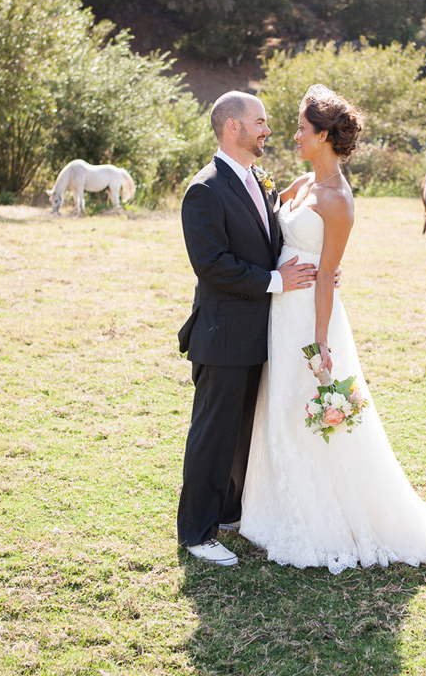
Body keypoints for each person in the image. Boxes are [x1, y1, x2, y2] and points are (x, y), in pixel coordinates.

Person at [240, 84, 426, 573]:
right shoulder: (303, 184)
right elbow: (271, 206)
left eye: (302, 130)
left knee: (311, 400)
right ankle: (281, 502)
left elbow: (327, 274)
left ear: (325, 135)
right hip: (281, 308)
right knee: (283, 400)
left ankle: (324, 513)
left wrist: (321, 342)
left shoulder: (338, 200)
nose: (295, 136)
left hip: (309, 315)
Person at [177, 90, 318, 566]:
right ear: (232, 127)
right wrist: (279, 280)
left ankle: (230, 514)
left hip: (260, 333)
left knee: (243, 432)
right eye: (260, 122)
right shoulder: (205, 189)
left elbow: (267, 240)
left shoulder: (256, 178)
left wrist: (312, 267)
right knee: (213, 434)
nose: (268, 130)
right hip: (222, 335)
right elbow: (213, 265)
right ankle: (197, 533)